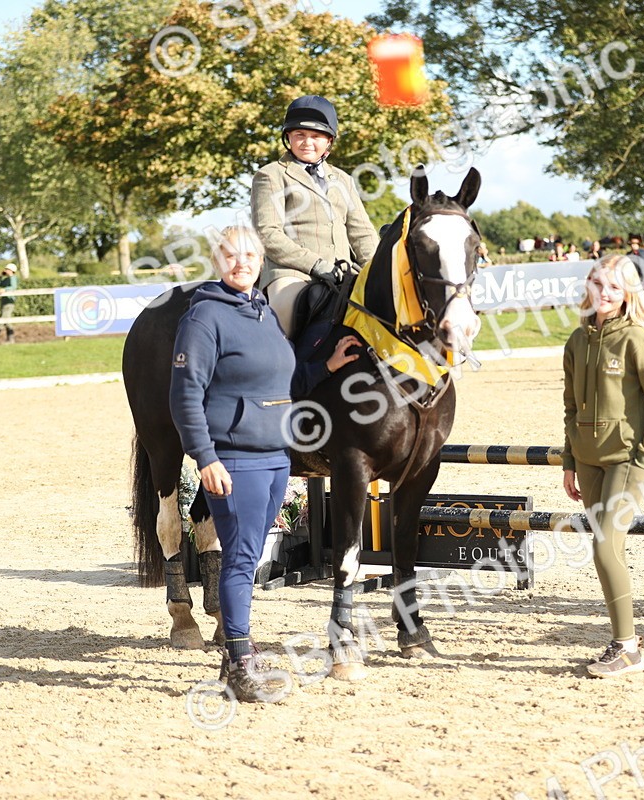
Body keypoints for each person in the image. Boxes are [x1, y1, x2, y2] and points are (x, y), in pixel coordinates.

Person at [169, 225, 358, 703]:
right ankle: (239, 663)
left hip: (276, 457)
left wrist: (327, 367)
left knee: (248, 558)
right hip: (234, 457)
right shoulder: (204, 318)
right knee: (238, 559)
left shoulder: (263, 312)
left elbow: (288, 380)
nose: (242, 262)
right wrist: (205, 457)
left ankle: (237, 650)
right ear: (216, 261)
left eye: (250, 254)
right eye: (231, 255)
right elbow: (185, 395)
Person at [562, 253, 644, 677]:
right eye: (598, 284)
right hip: (587, 463)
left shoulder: (637, 339)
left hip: (626, 461)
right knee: (608, 549)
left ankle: (627, 647)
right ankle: (624, 637)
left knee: (604, 546)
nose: (604, 293)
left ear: (628, 293)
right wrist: (570, 461)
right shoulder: (576, 341)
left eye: (614, 286)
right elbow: (570, 406)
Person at [251, 95, 379, 337]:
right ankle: (284, 370)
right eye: (299, 135)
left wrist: (376, 268)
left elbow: (362, 232)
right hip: (292, 274)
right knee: (284, 317)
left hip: (345, 273)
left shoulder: (342, 179)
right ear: (288, 137)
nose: (307, 142)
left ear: (328, 141)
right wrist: (316, 265)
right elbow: (268, 234)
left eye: (316, 136)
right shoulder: (272, 175)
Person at [0, 263, 18, 344]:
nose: (5, 270)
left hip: (9, 301)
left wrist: (5, 290)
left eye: (7, 269)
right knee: (5, 319)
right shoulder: (7, 279)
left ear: (11, 271)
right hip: (4, 301)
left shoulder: (13, 278)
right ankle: (9, 339)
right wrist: (0, 276)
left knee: (4, 319)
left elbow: (13, 287)